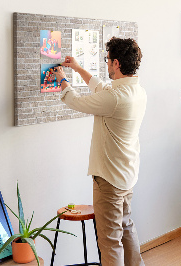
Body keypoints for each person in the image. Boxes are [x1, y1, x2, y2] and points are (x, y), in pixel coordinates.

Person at [51, 37, 146, 266]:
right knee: (126, 229)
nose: (106, 65)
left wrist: (62, 79)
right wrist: (77, 67)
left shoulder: (114, 98)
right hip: (126, 175)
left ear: (116, 63)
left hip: (109, 179)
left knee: (110, 241)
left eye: (107, 61)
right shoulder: (137, 92)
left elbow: (77, 102)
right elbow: (101, 87)